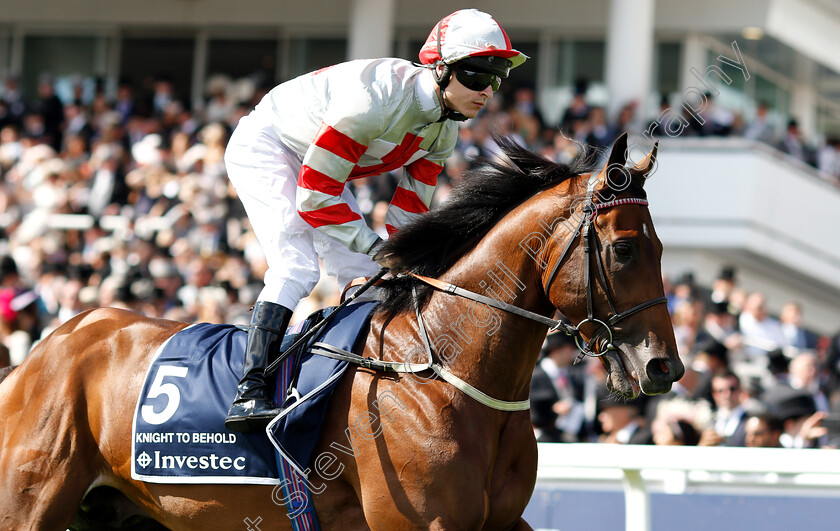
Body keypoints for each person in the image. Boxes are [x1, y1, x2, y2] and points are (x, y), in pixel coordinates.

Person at [222, 9, 527, 432]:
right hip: (269, 145)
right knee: (297, 265)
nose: (487, 91)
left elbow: (407, 216)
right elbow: (314, 199)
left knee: (369, 279)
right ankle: (249, 390)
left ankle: (335, 384)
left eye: (496, 79)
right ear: (440, 69)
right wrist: (377, 247)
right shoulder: (373, 101)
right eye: (476, 76)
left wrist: (403, 259)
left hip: (324, 169)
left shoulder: (444, 131)